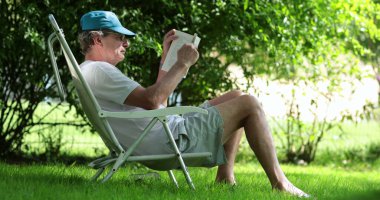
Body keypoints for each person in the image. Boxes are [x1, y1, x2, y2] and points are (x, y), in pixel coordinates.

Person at [78, 10, 309, 197]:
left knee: (237, 95)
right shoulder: (100, 71)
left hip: (161, 135)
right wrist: (182, 64)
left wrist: (167, 59)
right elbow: (153, 99)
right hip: (169, 143)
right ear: (98, 39)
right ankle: (280, 183)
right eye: (119, 37)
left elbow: (158, 102)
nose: (126, 43)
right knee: (249, 104)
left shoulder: (90, 71)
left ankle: (225, 178)